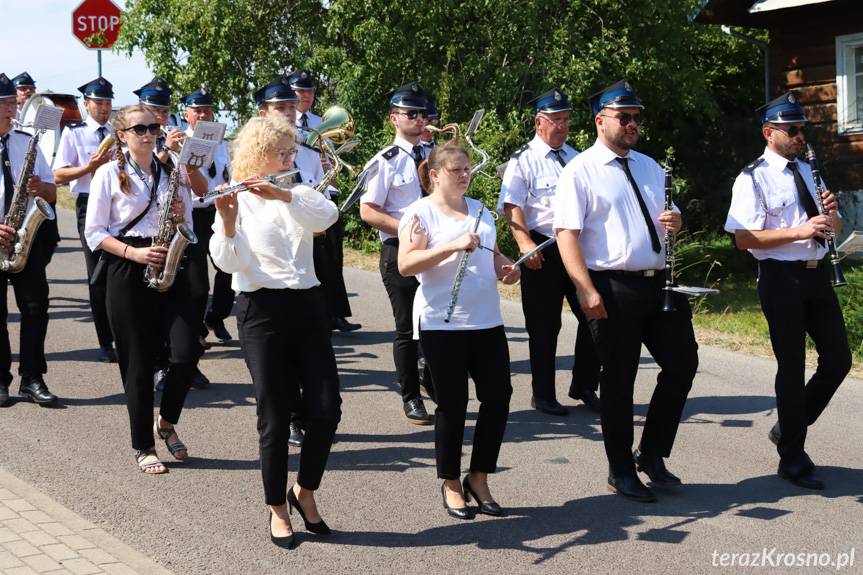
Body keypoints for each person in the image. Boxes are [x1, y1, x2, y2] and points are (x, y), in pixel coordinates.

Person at [554, 80, 699, 502]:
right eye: (624, 116)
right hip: (611, 286)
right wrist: (584, 288)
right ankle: (620, 470)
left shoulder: (650, 165)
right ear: (601, 120)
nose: (633, 123)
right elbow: (567, 234)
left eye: (636, 117)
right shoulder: (579, 171)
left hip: (658, 285)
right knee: (619, 379)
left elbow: (666, 216)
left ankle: (651, 453)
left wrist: (677, 222)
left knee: (683, 364)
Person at [210, 115, 341, 548]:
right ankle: (277, 509)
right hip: (260, 310)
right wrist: (228, 222)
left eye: (290, 151)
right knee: (274, 413)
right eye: (280, 152)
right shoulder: (236, 196)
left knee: (327, 407)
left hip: (306, 304)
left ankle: (304, 491)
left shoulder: (299, 191)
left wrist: (283, 193)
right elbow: (230, 264)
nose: (289, 158)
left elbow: (327, 216)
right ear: (257, 154)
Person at [724, 92, 852, 490]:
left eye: (802, 129)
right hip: (780, 279)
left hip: (817, 275)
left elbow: (834, 227)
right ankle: (792, 458)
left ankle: (789, 426)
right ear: (769, 132)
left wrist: (831, 215)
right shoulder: (753, 177)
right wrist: (798, 231)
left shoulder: (810, 170)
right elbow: (742, 239)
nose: (800, 137)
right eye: (791, 130)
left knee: (839, 360)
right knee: (792, 367)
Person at [398, 141, 518, 519]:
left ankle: (479, 476)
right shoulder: (419, 214)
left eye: (467, 169)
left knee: (498, 398)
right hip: (441, 323)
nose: (465, 175)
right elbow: (406, 264)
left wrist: (507, 267)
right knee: (452, 404)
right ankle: (450, 481)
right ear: (434, 175)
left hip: (486, 320)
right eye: (456, 170)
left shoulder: (482, 211)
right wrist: (452, 246)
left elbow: (493, 255)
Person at [85, 104, 197, 474]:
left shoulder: (171, 171)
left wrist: (181, 213)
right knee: (138, 363)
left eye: (153, 127)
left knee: (185, 353)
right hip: (127, 267)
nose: (149, 134)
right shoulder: (106, 175)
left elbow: (191, 217)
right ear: (123, 136)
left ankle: (164, 423)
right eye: (139, 129)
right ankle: (144, 446)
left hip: (168, 262)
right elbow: (95, 233)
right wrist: (135, 252)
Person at [498, 87, 601, 416]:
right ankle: (542, 394)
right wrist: (524, 243)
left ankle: (584, 385)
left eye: (566, 120)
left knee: (594, 316)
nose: (563, 126)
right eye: (556, 120)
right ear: (539, 123)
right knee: (544, 327)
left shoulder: (576, 158)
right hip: (541, 248)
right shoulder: (523, 160)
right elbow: (512, 206)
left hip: (577, 248)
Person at [359, 81, 434, 425]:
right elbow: (368, 210)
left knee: (434, 324)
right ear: (394, 118)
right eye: (412, 113)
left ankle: (432, 380)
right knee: (407, 328)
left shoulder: (433, 157)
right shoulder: (384, 161)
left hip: (433, 252)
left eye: (423, 113)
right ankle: (411, 397)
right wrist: (405, 229)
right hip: (399, 251)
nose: (420, 119)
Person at [132, 77, 210, 392]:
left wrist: (187, 155)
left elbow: (203, 190)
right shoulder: (137, 145)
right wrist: (164, 152)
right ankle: (159, 364)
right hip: (152, 234)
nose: (161, 117)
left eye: (164, 111)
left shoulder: (182, 141)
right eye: (154, 110)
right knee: (155, 303)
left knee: (196, 294)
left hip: (183, 232)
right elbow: (141, 182)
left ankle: (188, 362)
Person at [0, 72, 57, 407]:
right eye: (5, 104)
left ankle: (32, 378)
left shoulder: (26, 141)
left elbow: (51, 189)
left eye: (11, 102)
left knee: (36, 309)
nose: (11, 109)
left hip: (25, 235)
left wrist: (41, 188)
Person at [288, 69, 360, 333]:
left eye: (309, 91)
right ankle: (315, 314)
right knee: (311, 258)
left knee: (333, 256)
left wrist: (331, 164)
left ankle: (336, 314)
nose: (305, 96)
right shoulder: (286, 124)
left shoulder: (321, 121)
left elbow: (330, 156)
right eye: (299, 91)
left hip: (326, 193)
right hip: (299, 194)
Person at [53, 77, 116, 363]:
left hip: (118, 203)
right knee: (98, 275)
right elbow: (58, 175)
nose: (104, 108)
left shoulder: (118, 131)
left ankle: (127, 332)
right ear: (86, 104)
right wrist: (88, 167)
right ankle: (106, 341)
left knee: (123, 270)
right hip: (89, 203)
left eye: (107, 103)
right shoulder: (74, 133)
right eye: (99, 103)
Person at [181, 88, 235, 345]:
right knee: (198, 280)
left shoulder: (221, 142)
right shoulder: (180, 141)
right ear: (186, 114)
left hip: (217, 209)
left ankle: (216, 316)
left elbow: (228, 175)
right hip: (193, 214)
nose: (203, 114)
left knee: (229, 268)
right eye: (197, 110)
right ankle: (197, 331)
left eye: (207, 110)